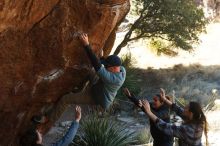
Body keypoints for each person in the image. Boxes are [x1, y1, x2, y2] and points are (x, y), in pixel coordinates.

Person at [47, 33, 126, 123]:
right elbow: (100, 65)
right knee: (90, 71)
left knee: (65, 99)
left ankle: (49, 119)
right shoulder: (122, 69)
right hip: (99, 86)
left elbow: (97, 65)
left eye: (107, 66)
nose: (106, 67)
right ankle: (78, 90)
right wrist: (102, 58)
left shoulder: (114, 80)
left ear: (114, 68)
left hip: (98, 97)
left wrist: (86, 45)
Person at [139, 88, 208, 146]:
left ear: (191, 113)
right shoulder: (198, 120)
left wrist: (149, 112)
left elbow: (166, 127)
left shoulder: (187, 130)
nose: (183, 108)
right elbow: (178, 109)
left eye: (186, 108)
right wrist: (165, 100)